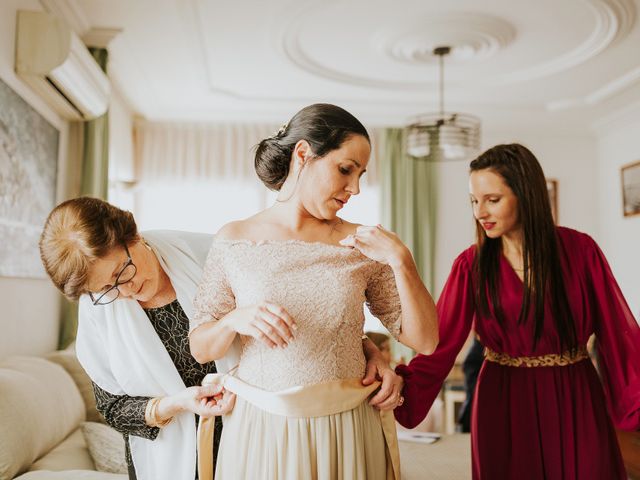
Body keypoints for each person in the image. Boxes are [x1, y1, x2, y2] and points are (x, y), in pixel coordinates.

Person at [39, 197, 400, 480]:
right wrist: (179, 403)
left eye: (123, 270)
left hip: (253, 430)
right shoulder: (100, 313)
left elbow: (305, 313)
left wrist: (368, 350)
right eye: (107, 288)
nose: (127, 289)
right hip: (168, 452)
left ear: (133, 236)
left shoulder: (214, 251)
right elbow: (113, 407)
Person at [189, 103, 439, 480]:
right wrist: (235, 320)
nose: (354, 188)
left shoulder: (361, 245)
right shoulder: (234, 239)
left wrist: (403, 261)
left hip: (347, 427)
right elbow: (201, 347)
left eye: (360, 175)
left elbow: (426, 340)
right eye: (345, 169)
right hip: (263, 430)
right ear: (303, 155)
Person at [394, 143, 640, 479]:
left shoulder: (581, 250)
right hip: (504, 399)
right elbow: (441, 343)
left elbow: (617, 331)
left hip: (576, 393)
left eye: (492, 200)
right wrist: (400, 387)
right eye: (474, 201)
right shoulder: (471, 265)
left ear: (526, 195)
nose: (480, 212)